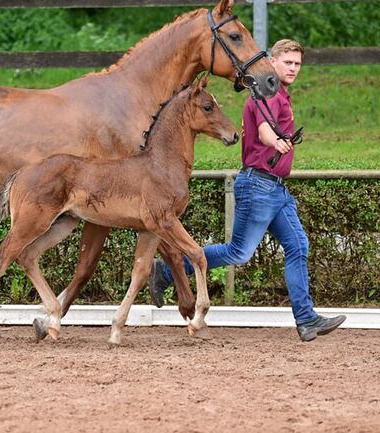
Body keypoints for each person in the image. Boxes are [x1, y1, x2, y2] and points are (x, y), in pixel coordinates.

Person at [148, 39, 346, 342]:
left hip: (275, 189)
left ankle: (306, 320)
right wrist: (274, 142)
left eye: (297, 64)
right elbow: (266, 129)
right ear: (272, 62)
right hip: (259, 185)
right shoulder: (265, 94)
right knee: (239, 251)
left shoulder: (279, 94)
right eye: (288, 62)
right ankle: (167, 269)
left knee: (297, 246)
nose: (293, 68)